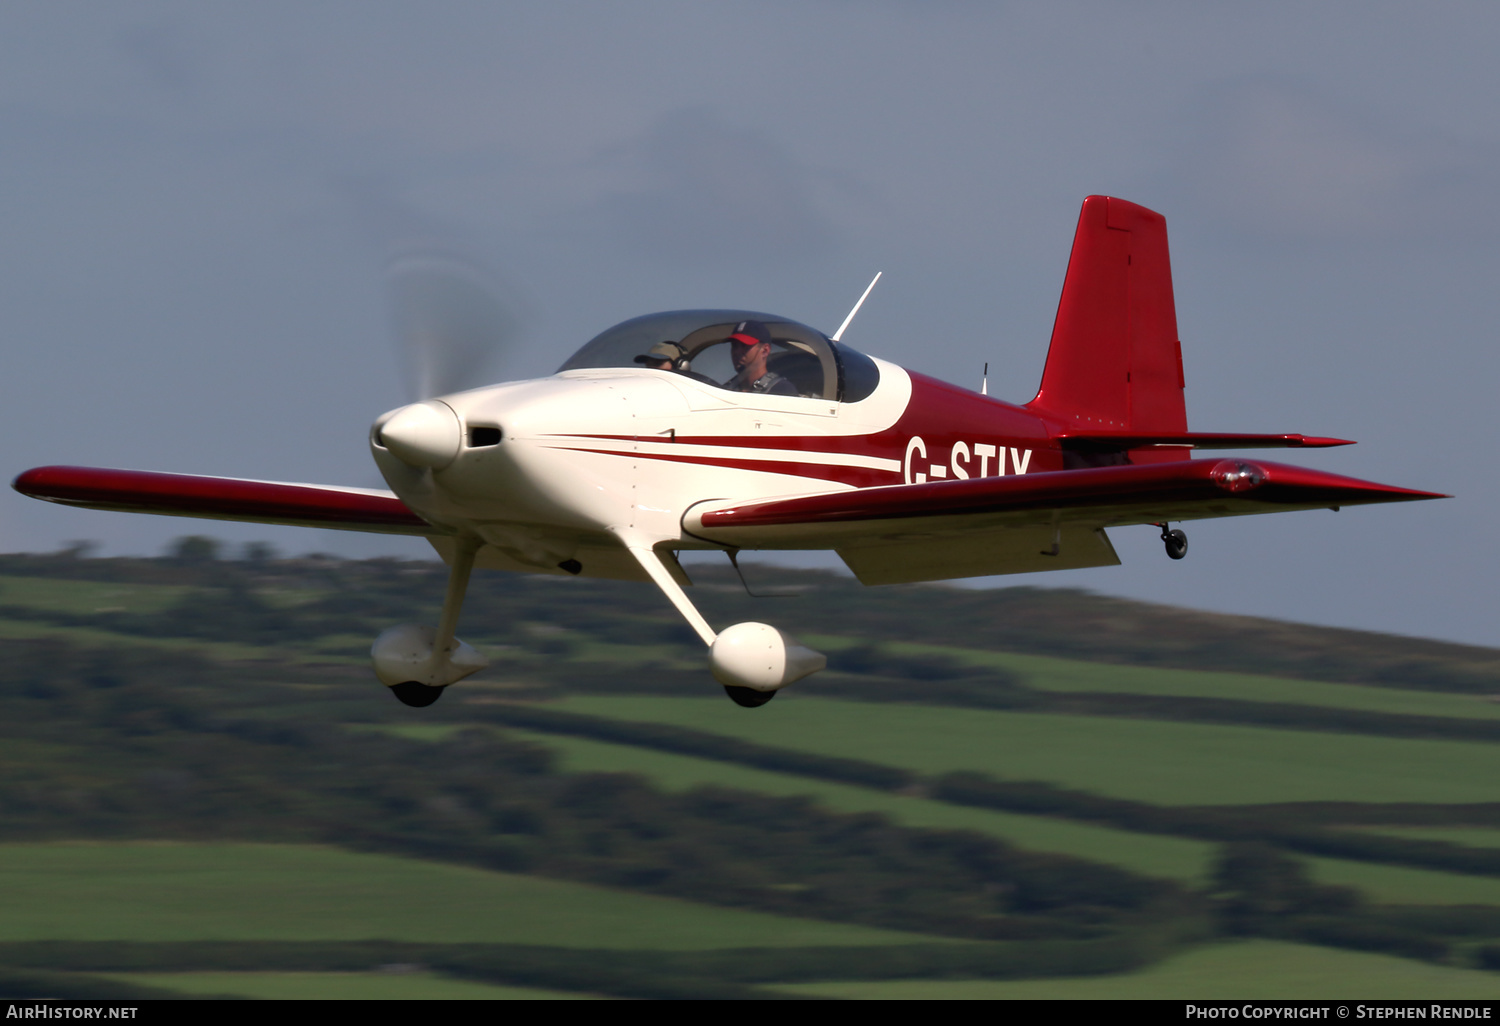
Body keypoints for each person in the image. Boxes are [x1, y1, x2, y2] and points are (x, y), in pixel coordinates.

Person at [724, 321, 797, 395]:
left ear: (765, 351)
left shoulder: (782, 390)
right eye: (734, 346)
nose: (737, 351)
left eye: (744, 345)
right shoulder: (725, 391)